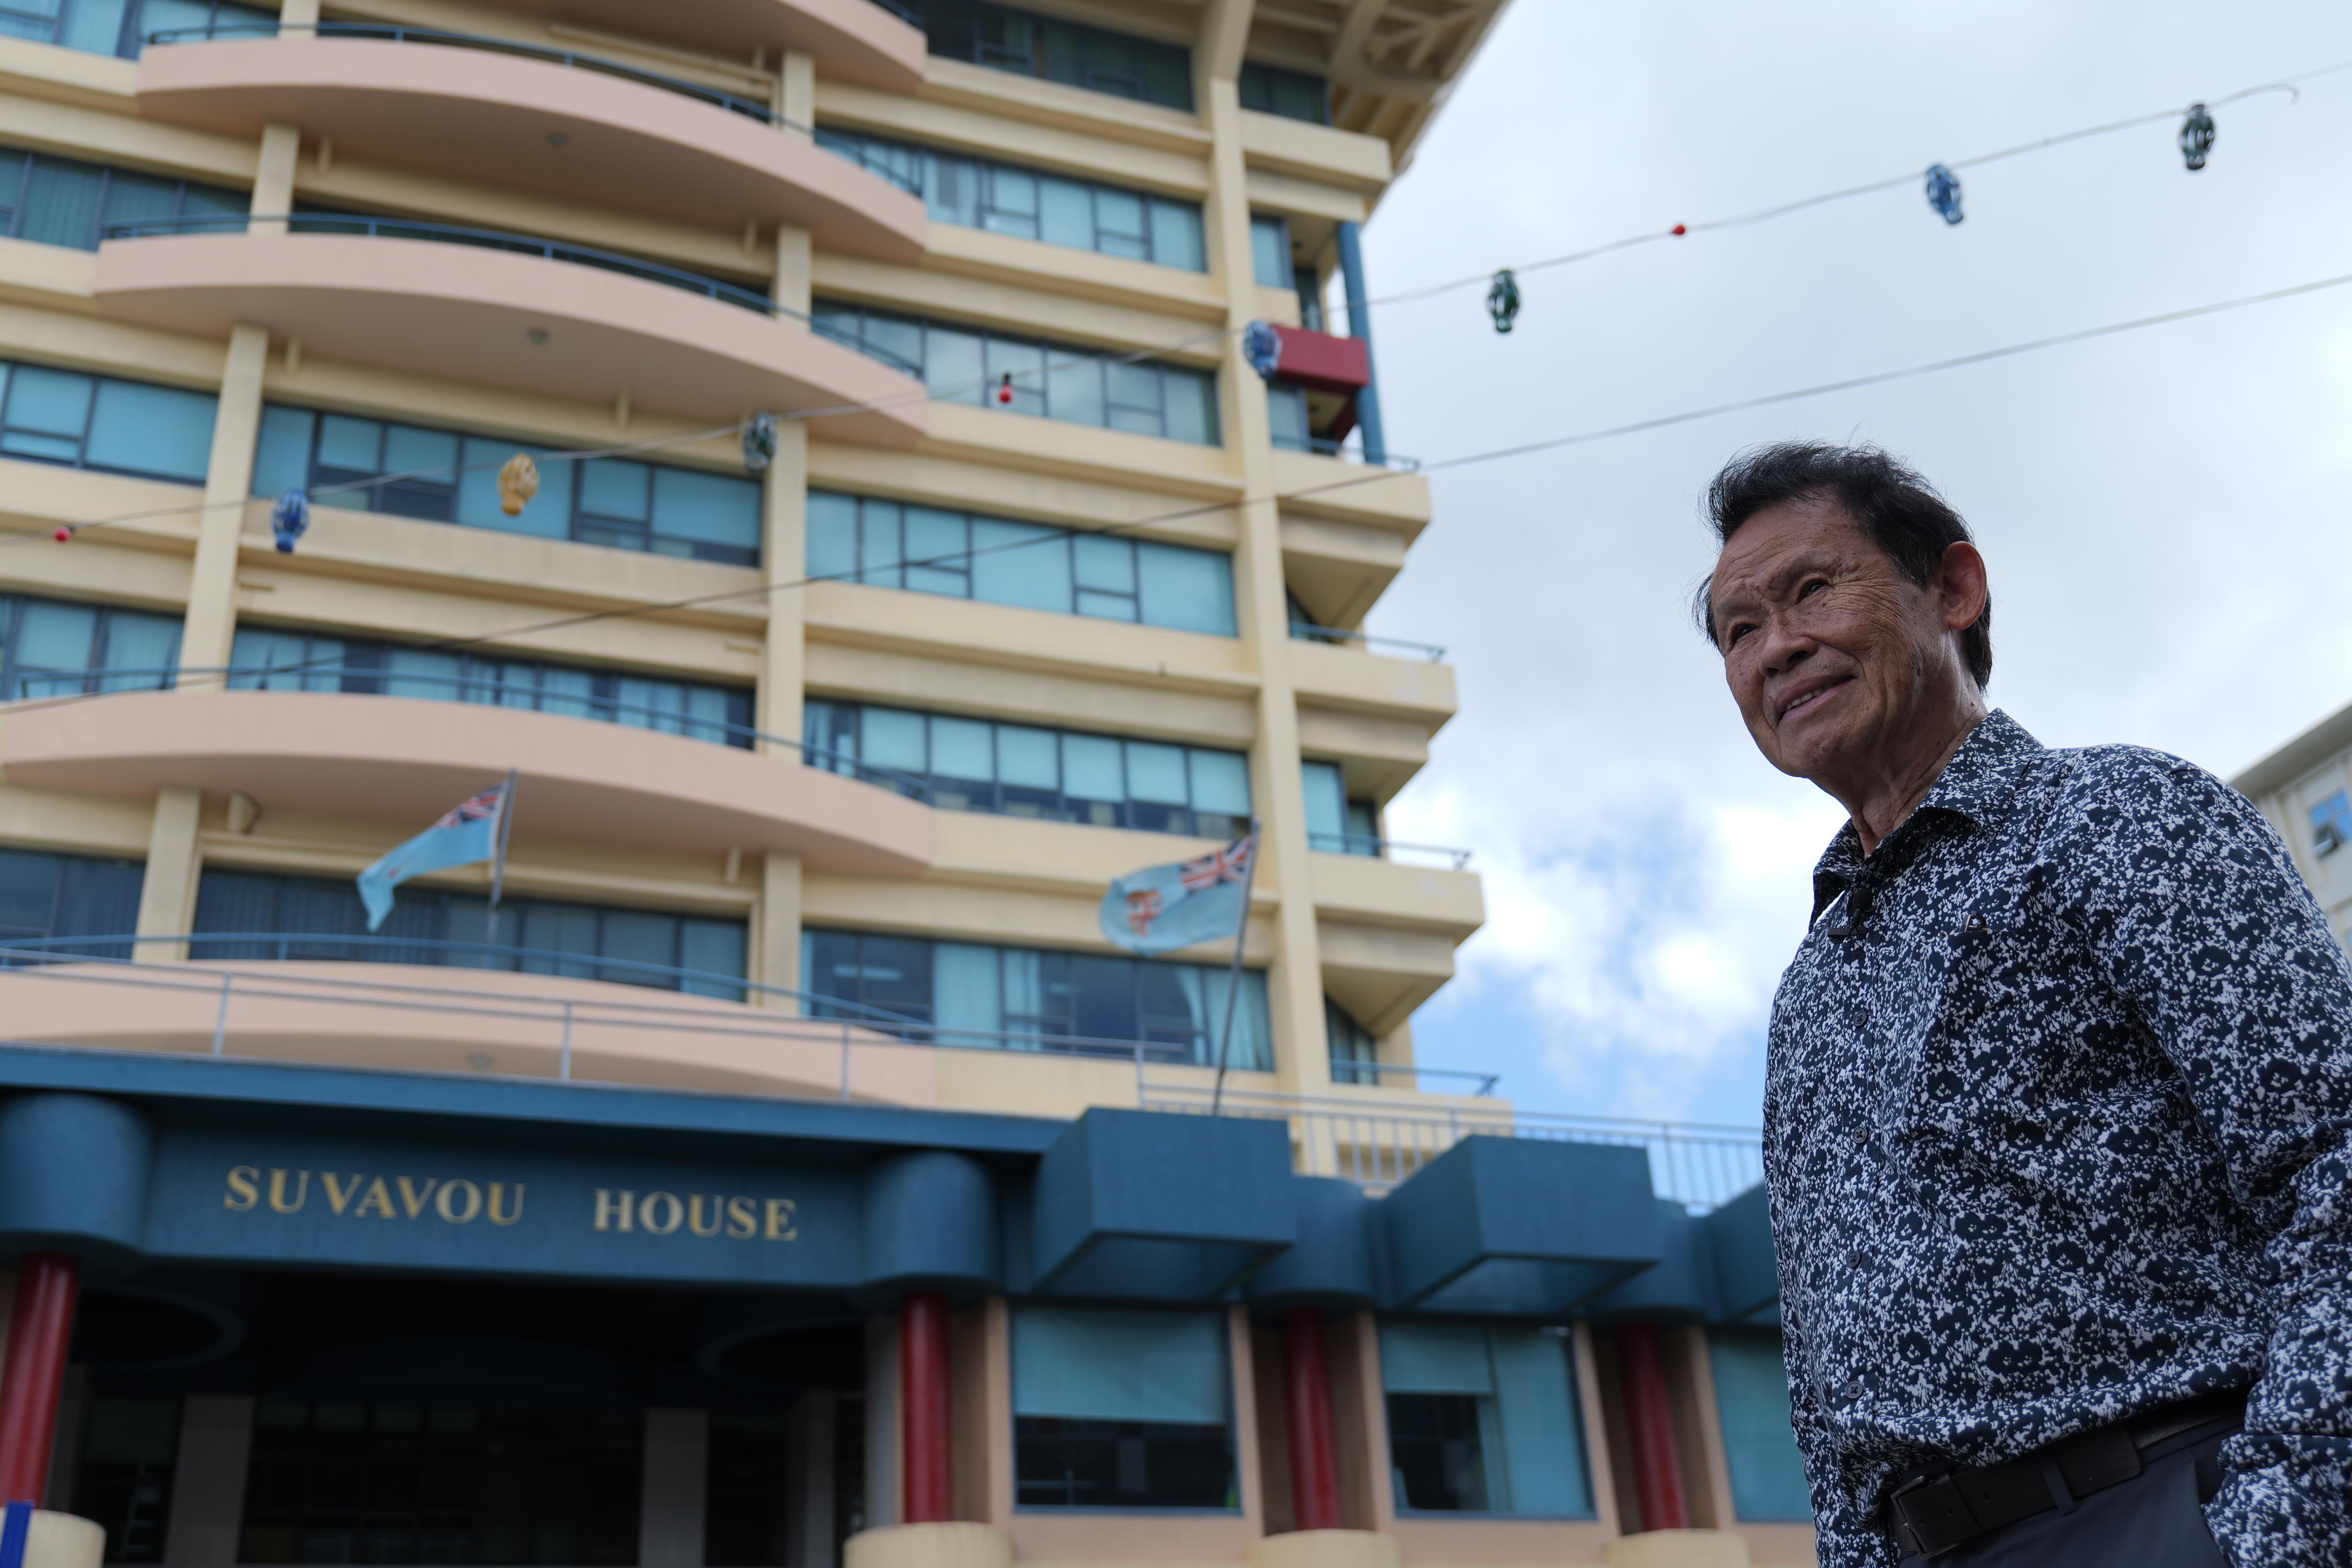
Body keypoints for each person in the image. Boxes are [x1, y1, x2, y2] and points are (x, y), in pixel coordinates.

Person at [1693, 441, 2352, 1567]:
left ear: (1953, 588)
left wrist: (2273, 1532)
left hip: (2165, 1503)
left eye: (1811, 589)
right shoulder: (1808, 991)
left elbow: (2331, 1164)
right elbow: (1825, 1392)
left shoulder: (2118, 816)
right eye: (1738, 628)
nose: (1777, 645)